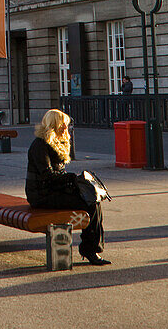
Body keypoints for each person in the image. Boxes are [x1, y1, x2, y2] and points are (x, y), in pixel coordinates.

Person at [26, 108, 110, 266]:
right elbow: (47, 175)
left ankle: (92, 248)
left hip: (54, 190)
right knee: (89, 203)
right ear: (54, 125)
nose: (66, 128)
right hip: (41, 195)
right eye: (63, 125)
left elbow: (58, 175)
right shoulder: (40, 145)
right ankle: (90, 250)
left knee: (93, 200)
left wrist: (75, 181)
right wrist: (72, 179)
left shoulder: (56, 142)